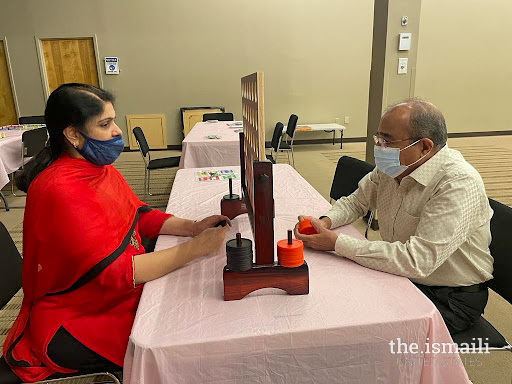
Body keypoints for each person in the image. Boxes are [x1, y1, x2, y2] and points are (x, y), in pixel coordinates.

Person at [1, 83, 231, 383]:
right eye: (105, 124)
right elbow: (116, 273)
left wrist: (191, 228)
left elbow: (138, 216)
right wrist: (195, 248)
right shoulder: (59, 189)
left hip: (107, 298)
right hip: (77, 317)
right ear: (72, 134)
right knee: (183, 339)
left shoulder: (96, 167)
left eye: (114, 120)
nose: (117, 131)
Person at [294, 98, 494, 335]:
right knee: (329, 297)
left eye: (387, 140)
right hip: (406, 275)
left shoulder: (457, 183)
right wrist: (325, 222)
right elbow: (356, 202)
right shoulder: (395, 166)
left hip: (448, 296)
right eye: (378, 138)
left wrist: (336, 243)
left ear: (425, 147)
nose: (379, 147)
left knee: (356, 328)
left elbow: (417, 261)